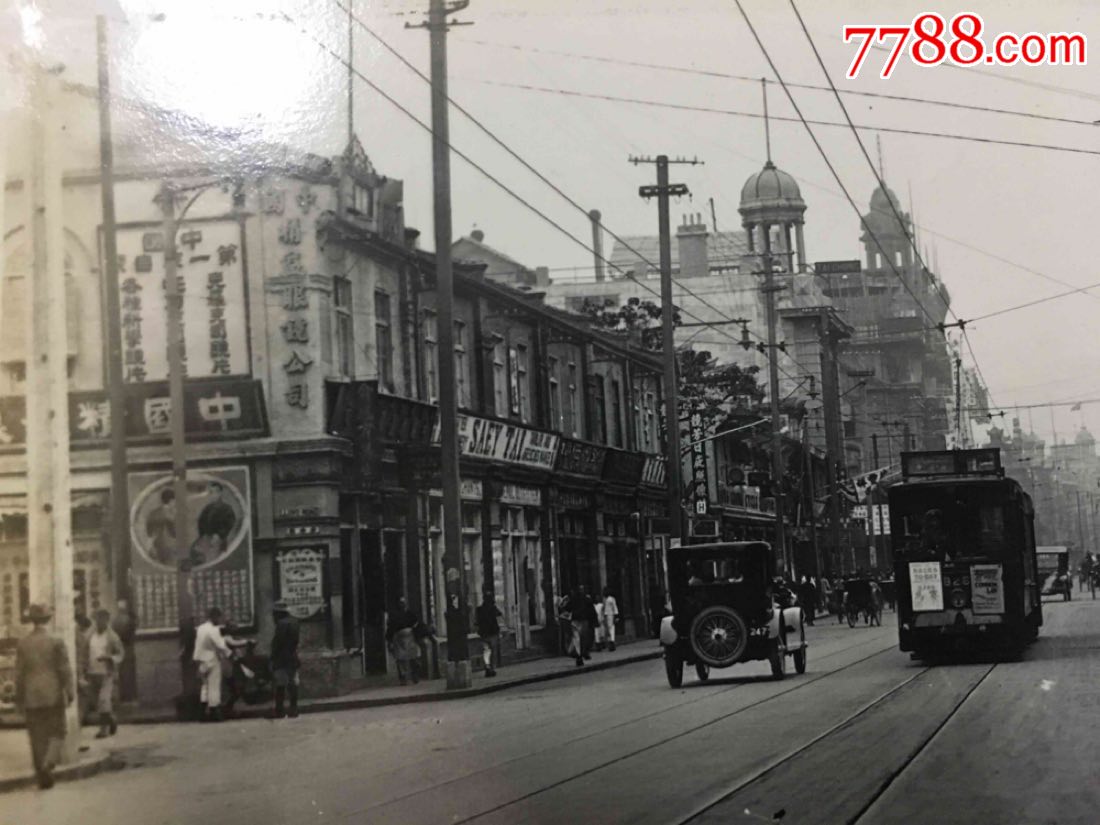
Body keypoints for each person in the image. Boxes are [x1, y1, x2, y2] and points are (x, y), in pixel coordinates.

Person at [14, 604, 74, 790]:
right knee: (58, 731)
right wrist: (69, 690)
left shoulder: (23, 643)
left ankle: (42, 775)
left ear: (32, 620)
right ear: (48, 619)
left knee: (36, 736)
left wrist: (19, 698)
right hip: (53, 694)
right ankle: (49, 763)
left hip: (32, 696)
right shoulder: (56, 641)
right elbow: (64, 669)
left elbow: (19, 674)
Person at [84, 608, 124, 739]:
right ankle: (111, 719)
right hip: (92, 672)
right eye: (98, 619)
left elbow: (120, 654)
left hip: (107, 672)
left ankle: (104, 730)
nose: (100, 622)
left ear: (107, 620)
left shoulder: (113, 637)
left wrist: (109, 657)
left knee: (104, 700)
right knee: (97, 702)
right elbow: (84, 650)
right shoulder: (89, 635)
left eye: (103, 619)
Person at [193, 607, 231, 721]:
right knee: (214, 685)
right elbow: (220, 645)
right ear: (214, 617)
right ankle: (215, 713)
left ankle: (202, 713)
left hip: (201, 660)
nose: (220, 620)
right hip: (212, 659)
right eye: (219, 617)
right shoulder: (213, 629)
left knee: (204, 686)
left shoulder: (200, 628)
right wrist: (229, 653)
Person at [269, 600, 301, 718]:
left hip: (282, 658)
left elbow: (278, 642)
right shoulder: (295, 622)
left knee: (280, 684)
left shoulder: (281, 624)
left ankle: (279, 710)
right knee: (293, 683)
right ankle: (294, 709)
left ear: (278, 613)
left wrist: (273, 657)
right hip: (292, 656)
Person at [386, 597, 425, 685]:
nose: (402, 605)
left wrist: (418, 635)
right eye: (401, 603)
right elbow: (391, 629)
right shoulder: (395, 616)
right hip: (399, 638)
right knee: (401, 660)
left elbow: (417, 624)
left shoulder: (410, 614)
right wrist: (389, 640)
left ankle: (414, 675)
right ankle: (403, 677)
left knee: (413, 657)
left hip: (410, 637)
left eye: (403, 603)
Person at [111, 599, 138, 703]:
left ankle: (123, 696)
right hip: (128, 648)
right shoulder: (129, 620)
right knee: (129, 672)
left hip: (119, 648)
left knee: (122, 672)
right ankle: (129, 696)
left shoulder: (115, 621)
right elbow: (130, 635)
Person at [475, 592, 502, 678]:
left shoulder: (479, 609)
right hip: (493, 633)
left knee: (486, 651)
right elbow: (499, 617)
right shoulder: (493, 608)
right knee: (493, 651)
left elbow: (476, 622)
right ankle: (492, 668)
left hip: (484, 634)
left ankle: (487, 666)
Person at [601, 587, 619, 652]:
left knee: (610, 630)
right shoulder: (611, 599)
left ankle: (611, 643)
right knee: (611, 630)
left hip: (609, 615)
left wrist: (615, 616)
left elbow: (613, 608)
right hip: (610, 615)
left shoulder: (609, 600)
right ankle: (611, 643)